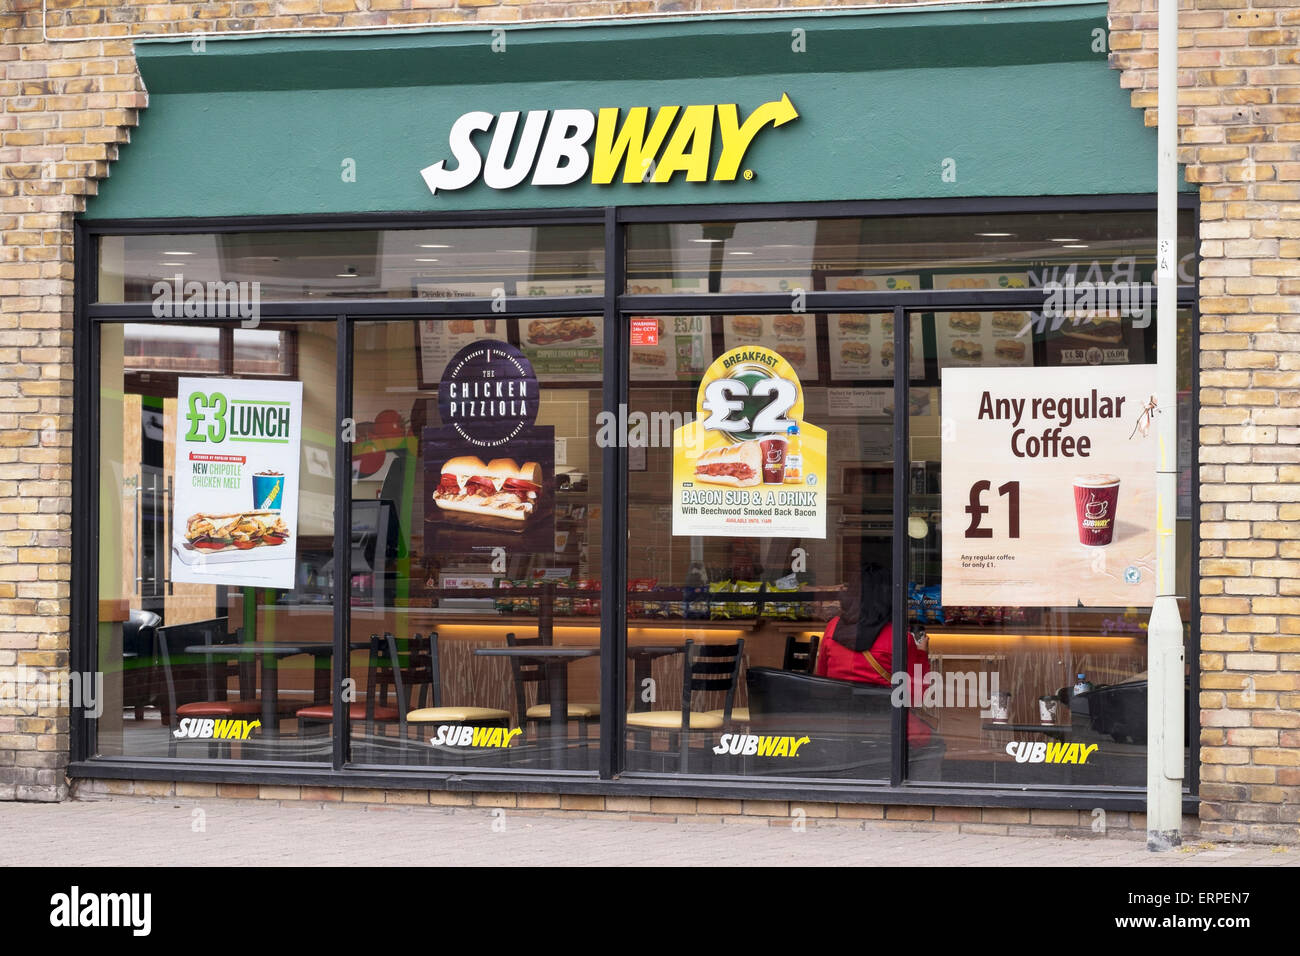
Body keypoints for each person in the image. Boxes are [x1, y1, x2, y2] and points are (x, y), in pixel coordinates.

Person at [815, 562, 934, 746]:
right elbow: (915, 696)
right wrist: (921, 654)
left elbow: (821, 679)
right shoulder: (899, 638)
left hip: (840, 727)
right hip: (886, 729)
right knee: (935, 744)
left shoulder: (832, 628)